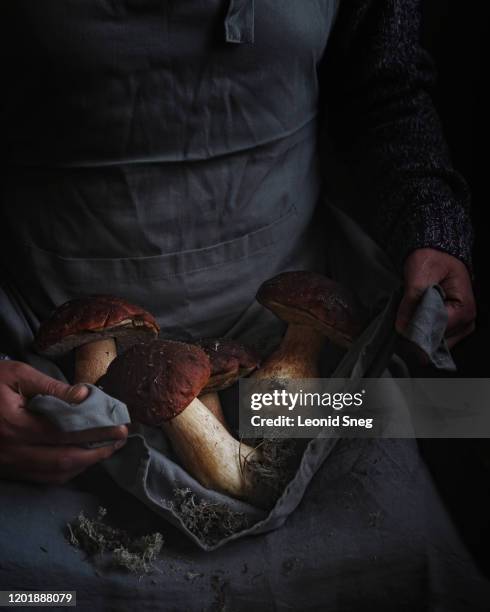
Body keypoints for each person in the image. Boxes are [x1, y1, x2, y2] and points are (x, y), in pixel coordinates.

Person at [0, 2, 475, 493]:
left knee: (435, 477)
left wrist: (429, 225)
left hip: (292, 346)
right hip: (43, 383)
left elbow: (385, 90)